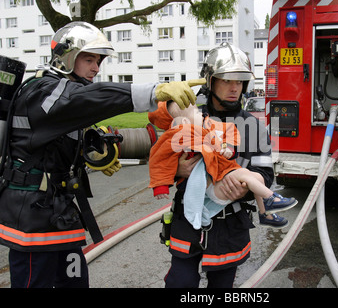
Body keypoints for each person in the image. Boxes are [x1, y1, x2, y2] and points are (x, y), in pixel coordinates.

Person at [0, 21, 203, 288]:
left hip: (59, 213)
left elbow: (60, 140)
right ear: (67, 57)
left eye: (99, 60)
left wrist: (96, 154)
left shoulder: (62, 93)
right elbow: (85, 99)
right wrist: (152, 91)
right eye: (89, 59)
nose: (96, 67)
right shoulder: (43, 91)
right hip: (32, 222)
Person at [158, 42, 282, 288]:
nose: (234, 87)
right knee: (180, 283)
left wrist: (246, 188)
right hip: (188, 221)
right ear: (211, 81)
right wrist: (177, 170)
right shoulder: (189, 118)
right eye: (227, 80)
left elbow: (266, 174)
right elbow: (160, 160)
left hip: (230, 225)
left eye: (240, 81)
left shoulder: (254, 127)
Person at [148, 101, 297, 229]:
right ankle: (270, 198)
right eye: (196, 112)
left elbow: (225, 134)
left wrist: (229, 149)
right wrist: (168, 179)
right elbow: (159, 159)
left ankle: (266, 214)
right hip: (213, 185)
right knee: (245, 174)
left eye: (238, 82)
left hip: (221, 179)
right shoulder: (178, 135)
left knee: (255, 177)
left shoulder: (207, 128)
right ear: (185, 122)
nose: (201, 113)